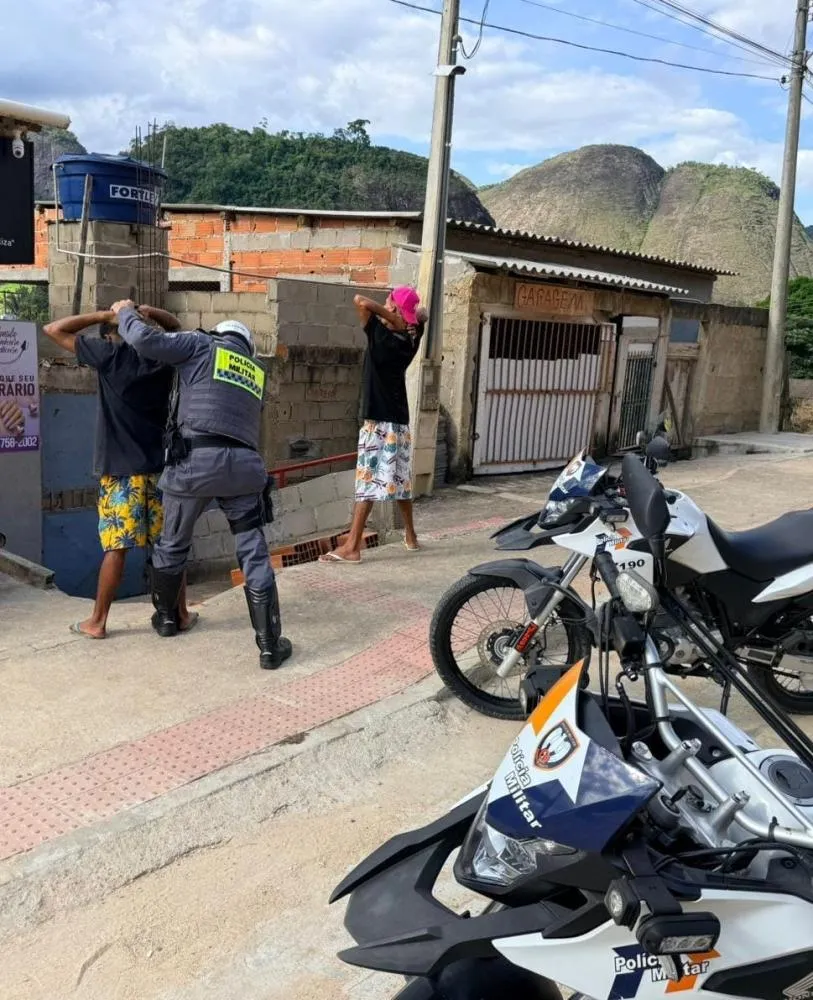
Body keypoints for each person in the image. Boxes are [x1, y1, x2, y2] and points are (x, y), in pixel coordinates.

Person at [109, 299, 293, 671]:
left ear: (220, 334)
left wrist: (124, 312)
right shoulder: (256, 371)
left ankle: (165, 620)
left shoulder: (201, 344)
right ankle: (270, 645)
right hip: (243, 469)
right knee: (253, 552)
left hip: (194, 463)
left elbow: (145, 341)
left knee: (173, 543)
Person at [42, 307, 196, 639]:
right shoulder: (163, 359)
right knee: (167, 548)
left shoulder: (110, 355)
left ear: (114, 334)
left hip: (120, 474)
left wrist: (104, 315)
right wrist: (144, 312)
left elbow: (53, 329)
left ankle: (97, 621)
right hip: (159, 471)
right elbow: (176, 326)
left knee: (117, 548)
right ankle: (179, 614)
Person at [321, 286, 427, 564]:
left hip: (378, 421)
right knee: (401, 480)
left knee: (366, 482)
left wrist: (390, 315)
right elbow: (422, 317)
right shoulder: (411, 339)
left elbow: (361, 301)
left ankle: (352, 547)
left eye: (389, 301)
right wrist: (405, 319)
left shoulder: (380, 336)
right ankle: (411, 536)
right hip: (399, 422)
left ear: (393, 308)